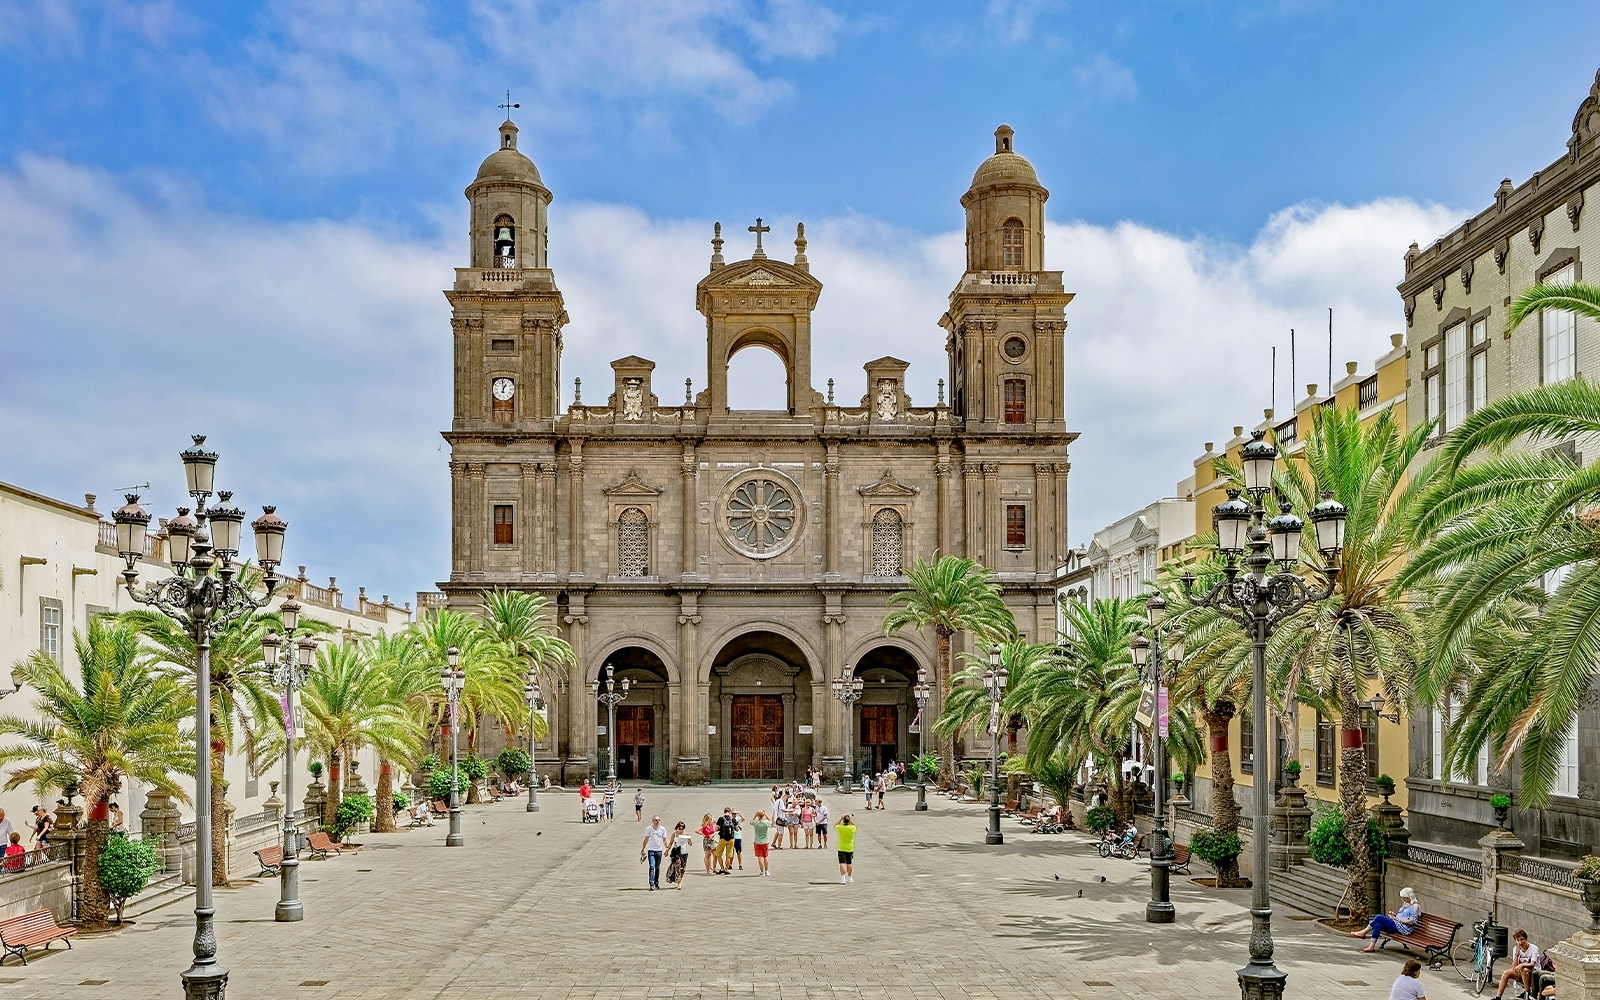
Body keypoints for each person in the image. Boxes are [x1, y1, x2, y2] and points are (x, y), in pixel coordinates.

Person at [1352, 887, 1422, 952]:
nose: (1403, 899)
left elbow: (1412, 921)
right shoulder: (1406, 904)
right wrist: (1394, 915)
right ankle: (1371, 946)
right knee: (1378, 925)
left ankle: (1364, 932)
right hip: (1397, 923)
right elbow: (1403, 916)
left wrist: (1396, 919)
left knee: (1379, 917)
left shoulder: (1415, 906)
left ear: (1410, 896)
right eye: (1403, 898)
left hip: (1403, 928)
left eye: (1405, 897)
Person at [1496, 929, 1542, 1000]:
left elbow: (1532, 964)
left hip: (1533, 972)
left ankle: (1527, 993)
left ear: (1526, 939)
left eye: (1522, 939)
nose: (1520, 942)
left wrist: (1522, 965)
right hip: (1520, 972)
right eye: (1518, 940)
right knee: (1506, 973)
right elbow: (1514, 967)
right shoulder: (1516, 949)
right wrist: (1517, 954)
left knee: (1524, 970)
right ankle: (1498, 997)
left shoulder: (1534, 948)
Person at [640, 815, 669, 890]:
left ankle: (656, 882)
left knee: (657, 867)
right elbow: (646, 839)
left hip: (659, 850)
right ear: (653, 821)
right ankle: (651, 883)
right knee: (652, 866)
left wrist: (667, 848)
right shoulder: (649, 829)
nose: (657, 822)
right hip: (651, 850)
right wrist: (643, 849)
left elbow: (664, 839)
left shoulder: (662, 829)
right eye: (656, 820)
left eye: (658, 820)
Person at [667, 821, 693, 889]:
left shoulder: (686, 834)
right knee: (678, 866)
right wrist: (667, 850)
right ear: (677, 828)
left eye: (682, 829)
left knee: (683, 868)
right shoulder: (674, 834)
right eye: (679, 828)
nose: (680, 830)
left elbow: (690, 844)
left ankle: (680, 880)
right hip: (676, 853)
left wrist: (689, 840)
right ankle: (679, 883)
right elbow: (670, 843)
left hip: (684, 852)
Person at [714, 807, 737, 874]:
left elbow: (716, 829)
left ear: (724, 811)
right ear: (730, 812)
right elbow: (736, 829)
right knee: (728, 855)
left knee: (718, 854)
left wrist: (720, 828)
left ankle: (722, 868)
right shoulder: (733, 819)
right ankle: (727, 869)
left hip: (722, 838)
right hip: (731, 839)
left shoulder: (721, 819)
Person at [836, 813, 857, 883]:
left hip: (841, 847)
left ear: (843, 821)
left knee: (842, 862)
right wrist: (850, 819)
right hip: (850, 848)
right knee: (849, 863)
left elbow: (836, 825)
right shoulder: (852, 828)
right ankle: (850, 877)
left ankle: (843, 878)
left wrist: (841, 818)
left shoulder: (840, 828)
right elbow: (854, 825)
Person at [751, 810, 772, 876]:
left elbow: (751, 822)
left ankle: (762, 871)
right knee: (765, 856)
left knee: (760, 857)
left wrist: (755, 815)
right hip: (765, 841)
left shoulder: (756, 823)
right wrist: (765, 814)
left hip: (757, 841)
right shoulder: (766, 823)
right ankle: (766, 871)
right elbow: (771, 821)